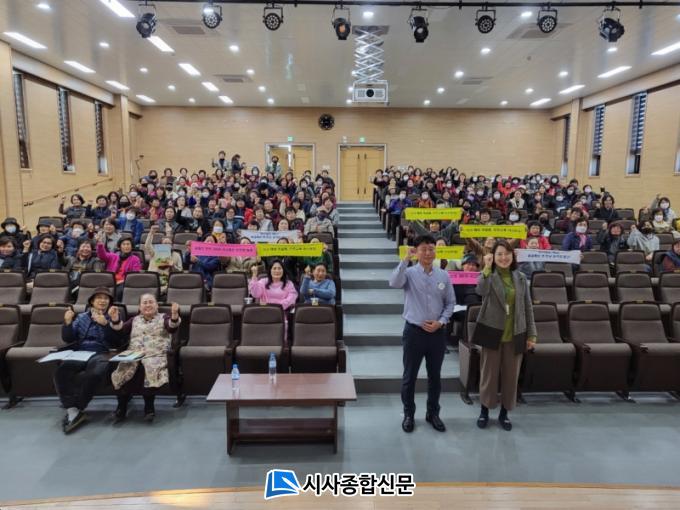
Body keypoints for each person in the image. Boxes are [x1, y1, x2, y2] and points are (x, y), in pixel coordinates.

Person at [388, 235, 455, 434]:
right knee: (409, 376)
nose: (428, 253)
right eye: (423, 249)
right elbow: (394, 282)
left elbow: (450, 303)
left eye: (431, 249)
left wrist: (441, 322)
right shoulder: (409, 273)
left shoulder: (443, 275)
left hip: (437, 334)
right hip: (414, 332)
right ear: (417, 251)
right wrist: (405, 260)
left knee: (435, 376)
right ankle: (409, 414)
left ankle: (433, 413)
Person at [473, 240, 536, 431]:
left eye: (507, 254)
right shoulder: (489, 275)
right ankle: (484, 410)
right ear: (493, 256)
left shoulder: (520, 277)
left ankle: (504, 413)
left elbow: (527, 307)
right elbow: (480, 290)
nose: (503, 257)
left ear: (512, 256)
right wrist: (486, 267)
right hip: (491, 331)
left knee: (511, 377)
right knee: (489, 375)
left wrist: (532, 335)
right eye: (499, 254)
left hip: (516, 333)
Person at [56, 289, 122, 433]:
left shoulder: (112, 316)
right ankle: (72, 409)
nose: (103, 301)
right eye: (99, 298)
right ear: (92, 301)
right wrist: (67, 323)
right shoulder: (81, 317)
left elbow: (117, 342)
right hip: (81, 351)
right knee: (62, 371)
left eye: (106, 298)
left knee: (95, 373)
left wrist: (105, 324)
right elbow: (68, 338)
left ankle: (77, 407)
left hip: (101, 352)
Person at [111, 296, 181, 422]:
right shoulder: (134, 320)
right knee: (124, 368)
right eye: (144, 303)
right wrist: (115, 319)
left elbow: (172, 326)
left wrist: (174, 314)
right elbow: (121, 330)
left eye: (151, 302)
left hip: (155, 354)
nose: (148, 305)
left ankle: (149, 408)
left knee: (147, 367)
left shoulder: (164, 317)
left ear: (157, 305)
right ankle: (121, 406)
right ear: (139, 307)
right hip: (134, 354)